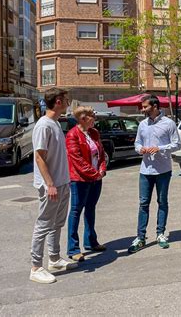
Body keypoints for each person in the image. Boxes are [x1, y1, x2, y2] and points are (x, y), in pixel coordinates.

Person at [30, 88, 77, 284]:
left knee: (57, 224)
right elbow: (39, 156)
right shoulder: (43, 126)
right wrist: (50, 184)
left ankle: (54, 259)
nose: (68, 102)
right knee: (43, 225)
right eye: (66, 99)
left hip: (62, 183)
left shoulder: (55, 123)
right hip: (51, 185)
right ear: (58, 101)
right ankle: (35, 267)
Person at [127, 95, 181, 254]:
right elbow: (137, 143)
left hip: (163, 170)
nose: (142, 109)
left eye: (145, 106)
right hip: (145, 170)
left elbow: (177, 144)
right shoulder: (142, 124)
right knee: (143, 203)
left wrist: (161, 148)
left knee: (162, 201)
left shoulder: (169, 123)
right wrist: (140, 149)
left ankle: (160, 234)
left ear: (155, 106)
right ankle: (141, 237)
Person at [66, 106, 107, 262]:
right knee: (76, 211)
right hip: (80, 179)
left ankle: (90, 241)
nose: (95, 118)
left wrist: (102, 169)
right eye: (92, 116)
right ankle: (73, 248)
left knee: (91, 209)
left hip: (96, 178)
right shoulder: (72, 135)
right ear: (83, 118)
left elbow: (101, 153)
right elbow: (77, 160)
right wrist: (94, 173)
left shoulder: (94, 133)